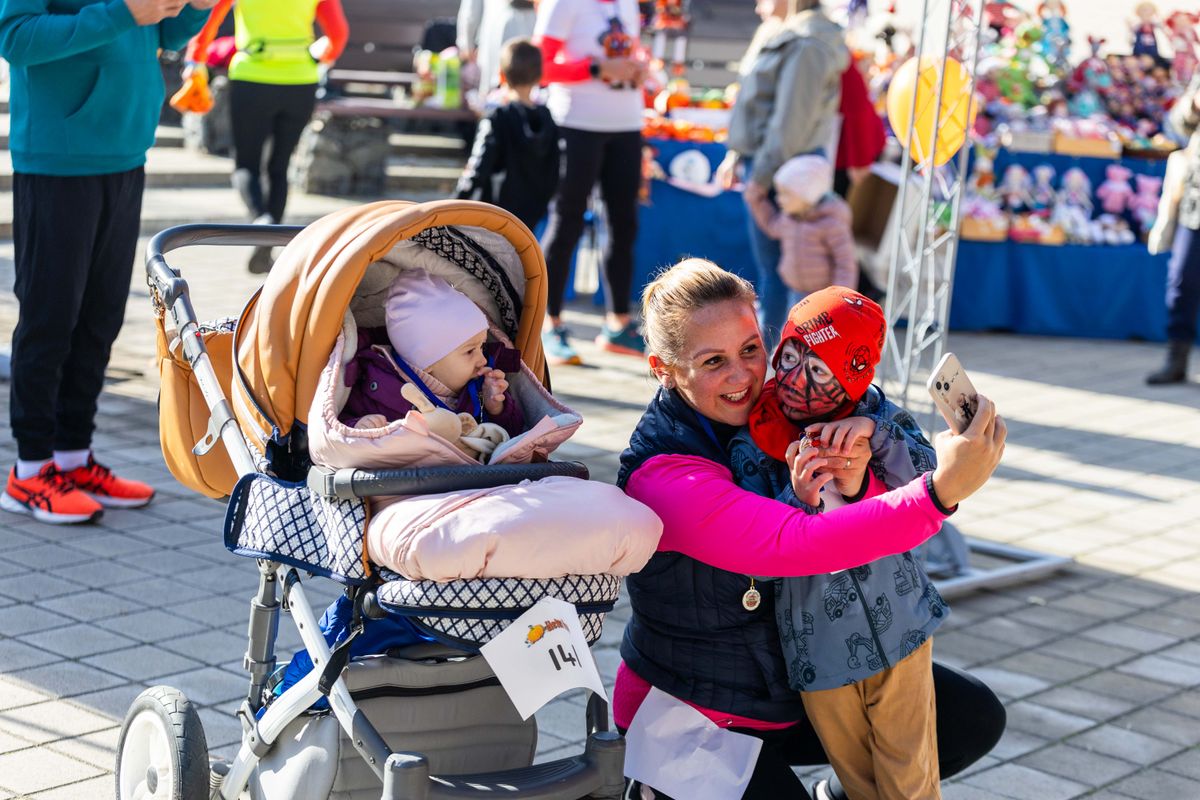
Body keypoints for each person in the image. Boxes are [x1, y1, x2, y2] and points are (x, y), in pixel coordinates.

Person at [615, 258, 1008, 799]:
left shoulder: (783, 411)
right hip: (701, 714)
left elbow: (852, 501)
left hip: (796, 686)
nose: (743, 376)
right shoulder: (664, 473)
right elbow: (796, 543)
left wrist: (866, 455)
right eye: (713, 361)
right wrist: (940, 492)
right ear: (663, 368)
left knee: (971, 720)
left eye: (751, 349)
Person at [0, 0, 219, 524]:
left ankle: (73, 459)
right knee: (50, 318)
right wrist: (122, 13)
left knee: (100, 320)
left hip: (125, 150)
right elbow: (16, 39)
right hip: (57, 157)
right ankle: (29, 473)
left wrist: (194, 9)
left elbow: (163, 32)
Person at [730, 287, 946, 800]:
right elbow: (753, 535)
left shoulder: (879, 417)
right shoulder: (756, 436)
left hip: (901, 629)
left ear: (853, 376)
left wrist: (876, 436)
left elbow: (932, 479)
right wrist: (796, 495)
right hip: (818, 648)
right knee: (860, 780)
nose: (797, 380)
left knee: (910, 780)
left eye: (820, 370)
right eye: (789, 358)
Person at [183, 0, 349, 273]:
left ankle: (261, 218)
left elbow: (208, 18)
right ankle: (269, 246)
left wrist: (195, 60)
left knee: (246, 164)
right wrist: (325, 56)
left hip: (252, 77)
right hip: (300, 79)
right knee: (279, 166)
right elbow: (338, 33)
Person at [717, 0, 847, 346]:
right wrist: (737, 153)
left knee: (785, 275)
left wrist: (758, 177)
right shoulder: (788, 33)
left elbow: (790, 124)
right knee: (775, 273)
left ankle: (778, 370)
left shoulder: (808, 42)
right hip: (772, 163)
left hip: (785, 170)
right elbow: (759, 105)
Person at [533, 0, 647, 365]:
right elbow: (540, 67)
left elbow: (629, 46)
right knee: (567, 222)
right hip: (576, 124)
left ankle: (618, 324)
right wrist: (596, 68)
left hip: (627, 124)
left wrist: (640, 68)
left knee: (623, 225)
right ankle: (549, 324)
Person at [339, 271, 524, 444]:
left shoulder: (481, 387)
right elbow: (337, 423)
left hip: (468, 472)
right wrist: (358, 425)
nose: (483, 359)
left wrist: (496, 408)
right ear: (426, 363)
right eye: (470, 351)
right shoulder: (376, 385)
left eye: (482, 347)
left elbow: (514, 433)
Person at [455, 38, 561, 233]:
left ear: (502, 75)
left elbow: (478, 167)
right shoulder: (548, 119)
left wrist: (456, 202)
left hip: (497, 213)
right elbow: (556, 167)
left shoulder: (497, 118)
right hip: (534, 212)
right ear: (539, 77)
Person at [1147, 70, 1200, 384]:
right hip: (1195, 202)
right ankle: (1176, 360)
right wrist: (1193, 104)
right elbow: (1178, 124)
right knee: (1181, 280)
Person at [744, 154, 857, 296]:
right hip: (795, 290)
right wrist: (756, 201)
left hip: (823, 295)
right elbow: (772, 226)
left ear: (806, 195)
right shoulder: (789, 219)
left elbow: (845, 264)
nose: (779, 199)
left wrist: (842, 298)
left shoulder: (831, 224)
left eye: (785, 194)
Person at [457, 0, 536, 97]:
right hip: (521, 28)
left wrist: (467, 42)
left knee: (493, 93)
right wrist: (467, 42)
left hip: (499, 29)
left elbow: (470, 13)